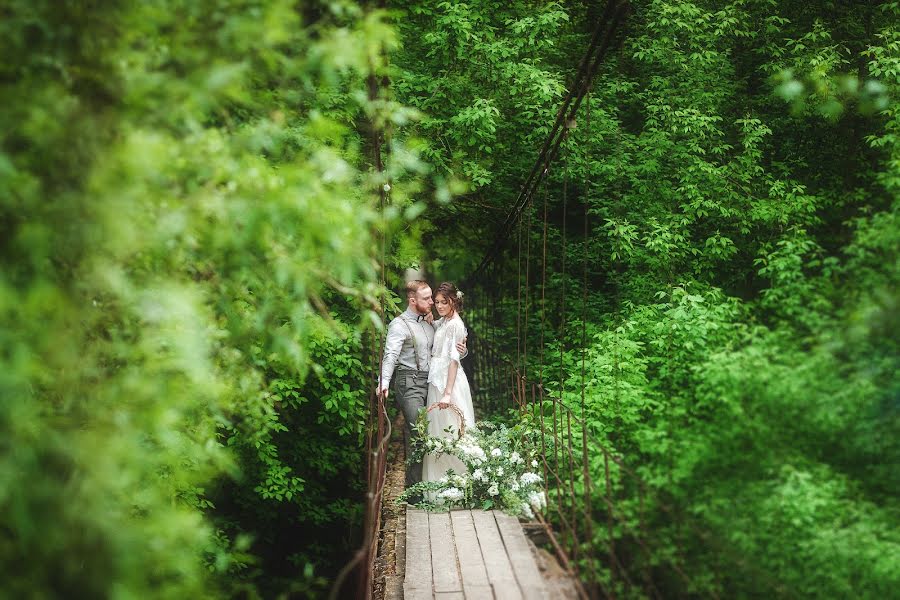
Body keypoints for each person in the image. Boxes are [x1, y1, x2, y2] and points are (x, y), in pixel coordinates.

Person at [378, 280, 466, 492]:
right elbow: (390, 354)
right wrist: (384, 380)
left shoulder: (429, 321)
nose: (431, 303)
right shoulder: (399, 325)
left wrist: (462, 350)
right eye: (427, 299)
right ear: (412, 300)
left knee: (438, 431)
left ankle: (435, 482)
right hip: (409, 383)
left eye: (432, 299)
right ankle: (415, 491)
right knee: (418, 431)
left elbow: (447, 345)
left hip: (431, 382)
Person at [422, 282, 475, 487]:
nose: (440, 306)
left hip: (448, 383)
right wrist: (431, 321)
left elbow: (454, 360)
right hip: (437, 381)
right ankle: (441, 483)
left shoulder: (456, 324)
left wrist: (447, 393)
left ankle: (457, 484)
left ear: (454, 300)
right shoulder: (445, 321)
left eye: (445, 302)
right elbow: (441, 334)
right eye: (436, 302)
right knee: (438, 430)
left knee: (452, 430)